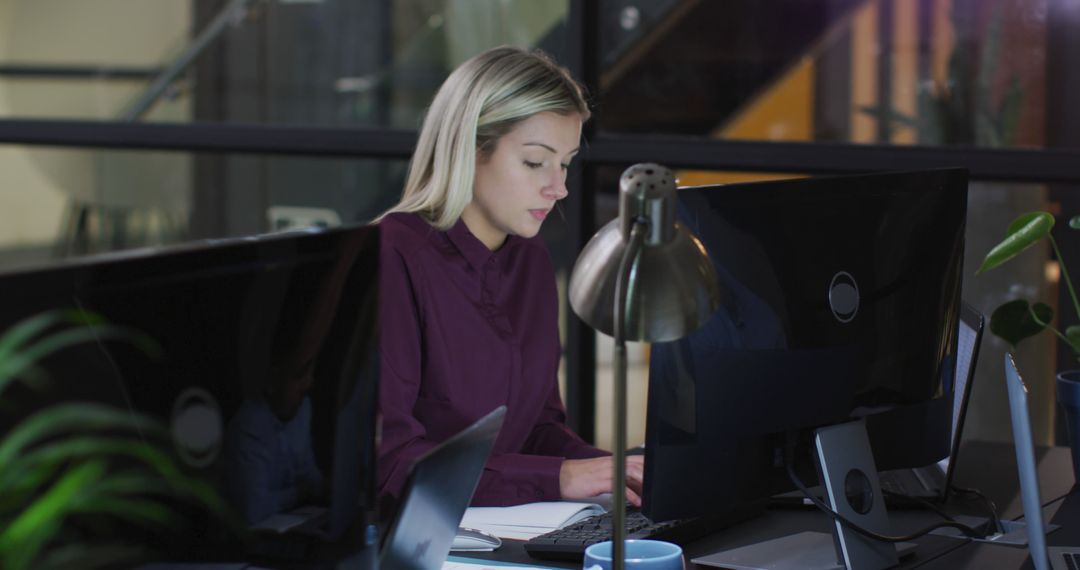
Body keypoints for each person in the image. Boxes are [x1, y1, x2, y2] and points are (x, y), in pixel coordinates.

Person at [375, 46, 644, 510]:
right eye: (536, 162)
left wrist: (614, 471)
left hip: (502, 529)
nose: (558, 188)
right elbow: (391, 463)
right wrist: (559, 477)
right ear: (472, 150)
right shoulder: (392, 255)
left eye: (566, 163)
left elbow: (537, 427)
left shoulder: (530, 261)